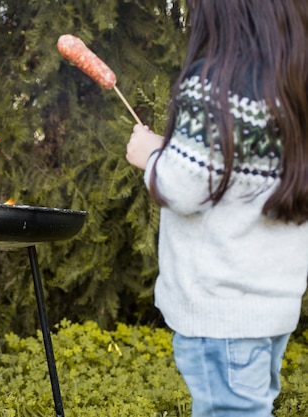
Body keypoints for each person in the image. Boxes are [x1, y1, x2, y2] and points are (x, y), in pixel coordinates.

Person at [125, 1, 308, 416]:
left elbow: (182, 186)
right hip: (273, 305)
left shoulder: (216, 84)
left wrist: (150, 157)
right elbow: (233, 168)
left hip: (221, 309)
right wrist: (170, 152)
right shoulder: (292, 86)